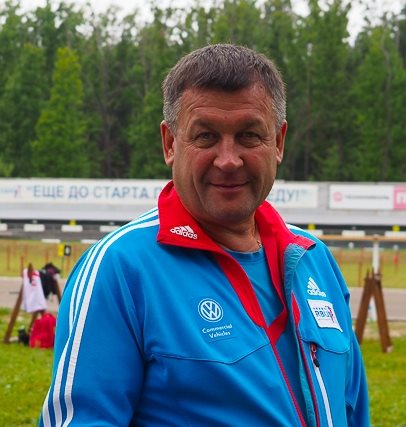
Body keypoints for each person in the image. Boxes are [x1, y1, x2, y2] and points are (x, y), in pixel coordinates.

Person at [39, 44, 370, 426]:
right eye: (206, 136)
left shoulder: (314, 259)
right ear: (170, 143)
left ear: (278, 142)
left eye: (249, 136)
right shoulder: (120, 268)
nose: (228, 160)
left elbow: (352, 410)